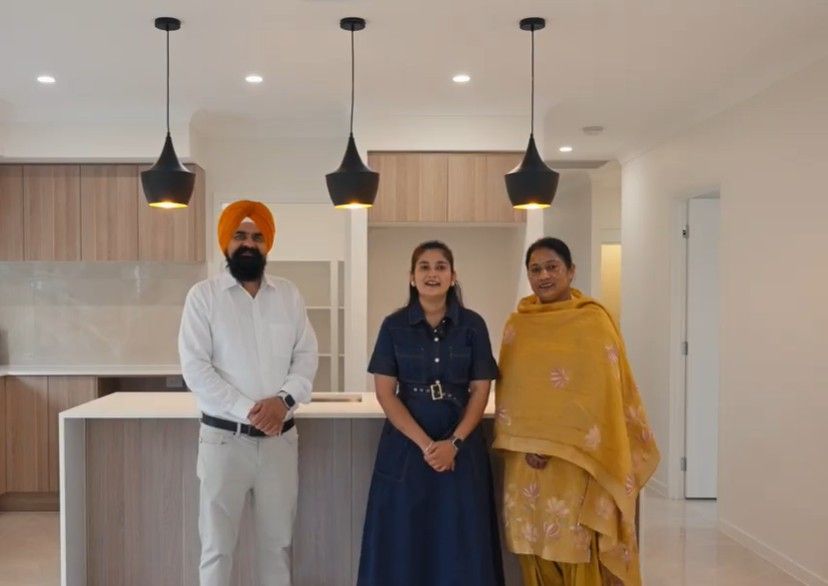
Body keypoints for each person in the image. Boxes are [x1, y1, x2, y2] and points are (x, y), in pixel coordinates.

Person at [494, 237, 660, 586]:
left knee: (575, 543)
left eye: (552, 267)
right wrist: (529, 444)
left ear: (571, 271)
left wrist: (556, 444)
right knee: (534, 543)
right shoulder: (517, 325)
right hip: (527, 461)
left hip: (581, 459)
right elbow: (512, 391)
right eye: (535, 269)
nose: (544, 276)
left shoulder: (594, 322)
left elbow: (602, 396)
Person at [178, 200, 318, 586]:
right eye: (240, 235)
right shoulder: (203, 297)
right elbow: (196, 368)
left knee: (278, 548)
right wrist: (253, 410)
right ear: (225, 242)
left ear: (267, 244)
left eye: (257, 236)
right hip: (224, 441)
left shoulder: (288, 295)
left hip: (280, 443)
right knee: (217, 549)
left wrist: (283, 402)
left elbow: (306, 357)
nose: (249, 244)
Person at [357, 240, 505, 586]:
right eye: (424, 266)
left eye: (441, 266)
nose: (432, 273)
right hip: (407, 449)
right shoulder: (393, 326)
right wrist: (428, 446)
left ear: (453, 277)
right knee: (404, 539)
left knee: (461, 538)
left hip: (461, 448)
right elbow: (385, 392)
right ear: (412, 277)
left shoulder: (473, 326)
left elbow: (481, 390)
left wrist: (452, 443)